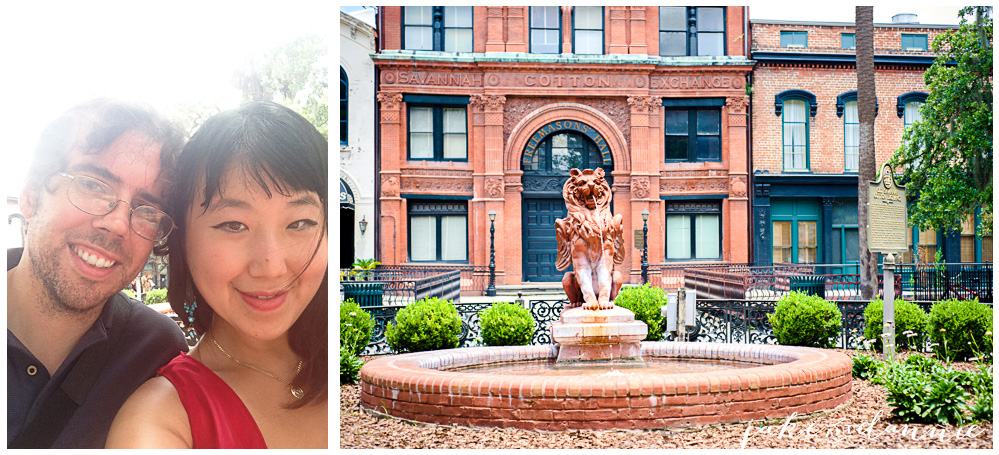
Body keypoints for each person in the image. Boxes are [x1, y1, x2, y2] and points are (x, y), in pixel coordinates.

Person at [106, 101, 329, 449]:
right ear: (181, 241)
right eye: (233, 225)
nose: (270, 266)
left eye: (299, 223)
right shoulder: (160, 422)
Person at [6, 99, 190, 449]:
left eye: (147, 209)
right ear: (29, 197)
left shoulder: (156, 351)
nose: (118, 224)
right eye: (93, 185)